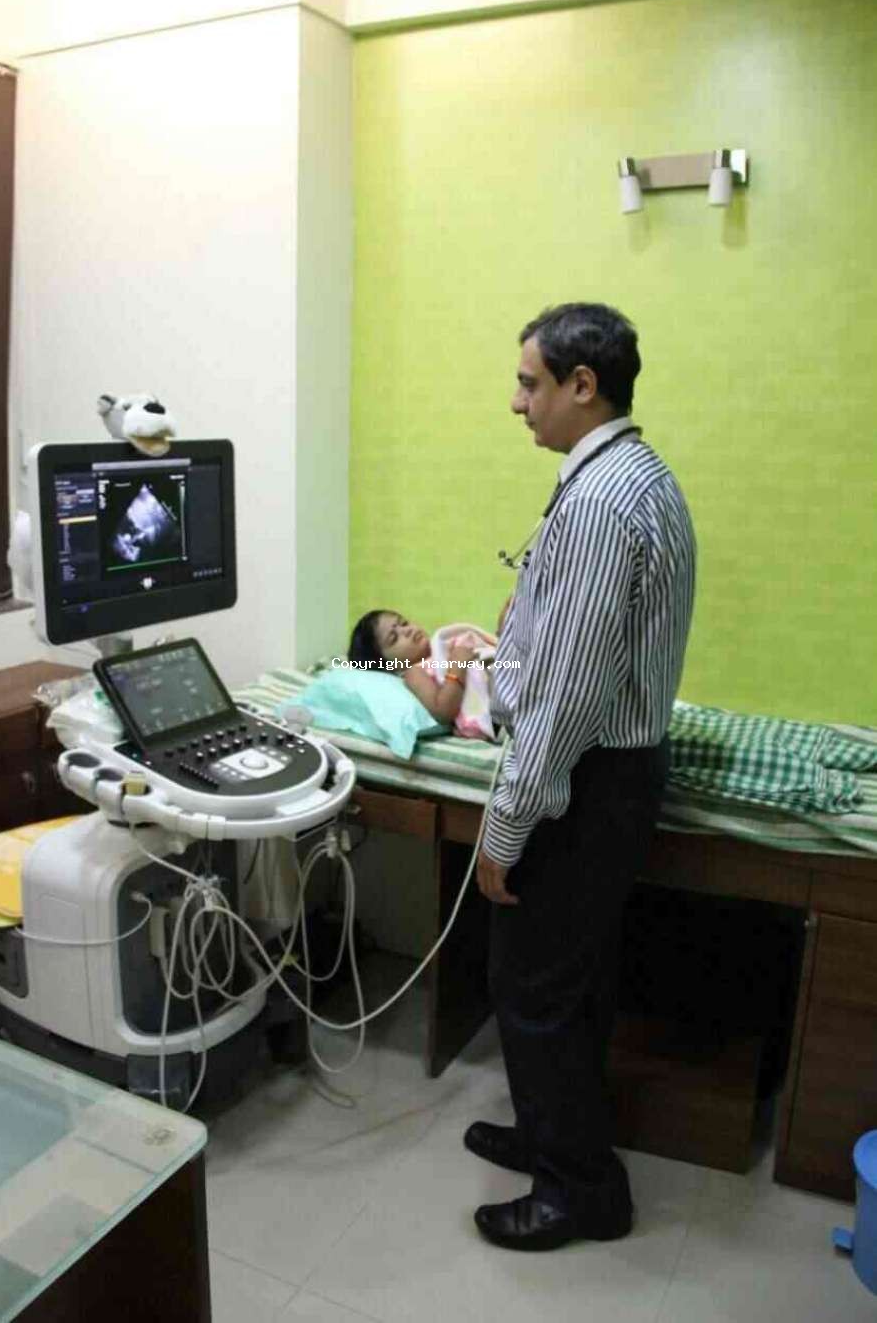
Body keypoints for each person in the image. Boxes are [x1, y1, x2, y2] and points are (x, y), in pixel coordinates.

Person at [468, 302, 696, 1251]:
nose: (516, 402)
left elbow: (565, 699)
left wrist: (503, 829)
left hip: (588, 782)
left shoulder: (601, 503)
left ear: (582, 385)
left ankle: (579, 1192)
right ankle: (549, 1134)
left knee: (533, 989)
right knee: (574, 980)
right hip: (613, 773)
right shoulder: (632, 476)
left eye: (529, 384)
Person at [347, 610, 497, 735]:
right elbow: (443, 711)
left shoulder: (441, 646)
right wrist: (457, 665)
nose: (407, 630)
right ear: (390, 666)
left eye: (404, 623)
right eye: (394, 638)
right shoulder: (414, 672)